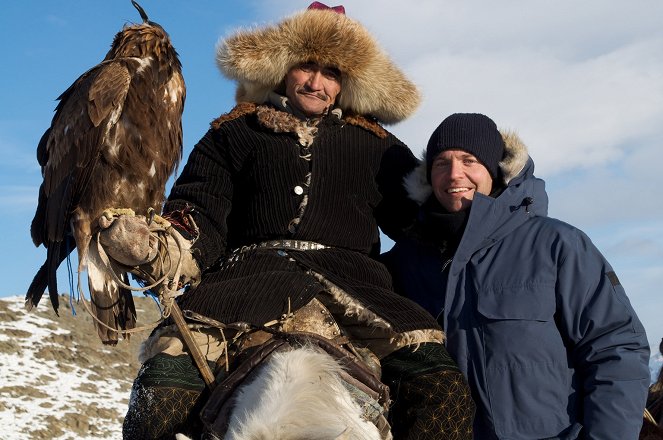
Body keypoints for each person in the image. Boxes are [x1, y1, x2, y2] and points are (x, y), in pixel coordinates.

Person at [102, 4, 474, 439]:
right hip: (241, 285)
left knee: (443, 389)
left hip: (359, 291)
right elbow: (199, 210)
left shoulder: (378, 146)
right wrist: (157, 248)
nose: (316, 83)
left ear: (347, 83)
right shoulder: (232, 133)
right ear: (282, 67)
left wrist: (483, 199)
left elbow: (423, 221)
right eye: (306, 67)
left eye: (331, 73)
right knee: (161, 386)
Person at [382, 113, 651, 440]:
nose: (455, 174)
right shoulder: (406, 261)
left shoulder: (556, 245)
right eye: (441, 163)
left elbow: (616, 348)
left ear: (495, 170)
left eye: (470, 160)